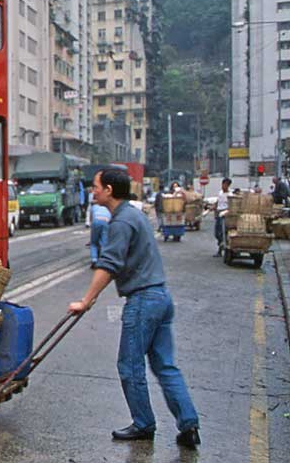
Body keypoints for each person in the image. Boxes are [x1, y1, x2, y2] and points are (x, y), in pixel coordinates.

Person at [68, 168, 200, 449]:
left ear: (109, 191)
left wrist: (86, 300)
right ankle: (189, 425)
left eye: (95, 186)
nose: (93, 191)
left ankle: (143, 424)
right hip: (160, 297)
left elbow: (109, 264)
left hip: (143, 301)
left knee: (129, 365)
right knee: (166, 366)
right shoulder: (134, 214)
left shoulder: (121, 222)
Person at [88, 173, 111, 266]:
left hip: (96, 221)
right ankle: (103, 258)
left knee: (93, 242)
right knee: (103, 241)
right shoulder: (106, 206)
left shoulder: (94, 207)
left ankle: (94, 259)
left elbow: (91, 218)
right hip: (106, 222)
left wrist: (91, 224)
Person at [214, 178, 232, 257]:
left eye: (225, 185)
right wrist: (213, 207)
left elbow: (231, 206)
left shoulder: (230, 195)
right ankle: (220, 244)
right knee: (217, 232)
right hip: (218, 213)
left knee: (222, 231)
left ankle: (221, 250)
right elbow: (217, 202)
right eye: (222, 184)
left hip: (225, 214)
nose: (223, 186)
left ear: (228, 185)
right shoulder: (220, 193)